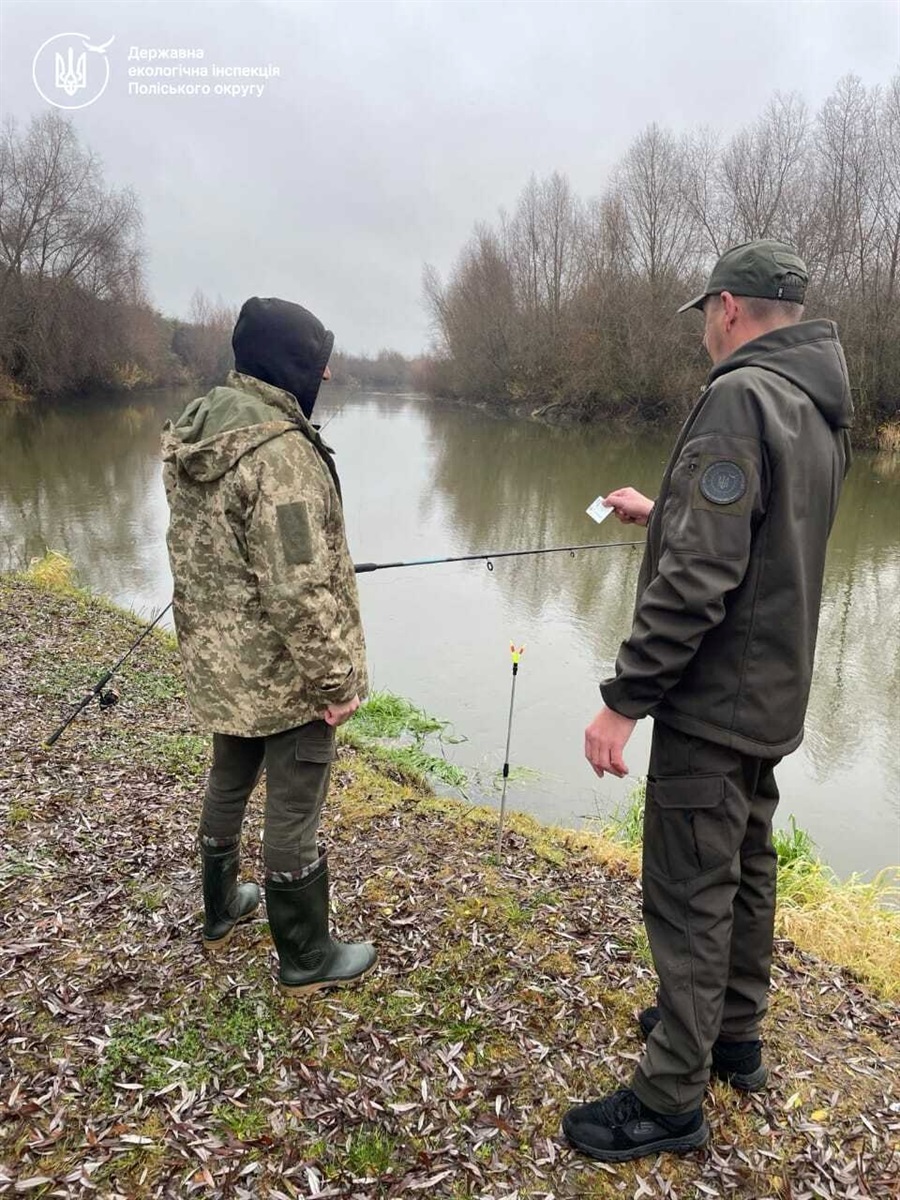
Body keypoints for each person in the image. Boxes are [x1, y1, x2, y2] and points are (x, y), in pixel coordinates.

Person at [563, 241, 853, 1162]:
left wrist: (625, 699)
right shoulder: (817, 404)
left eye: (703, 313)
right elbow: (761, 530)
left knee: (690, 887)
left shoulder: (740, 396)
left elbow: (697, 580)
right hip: (771, 693)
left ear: (728, 307)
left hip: (711, 700)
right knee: (748, 862)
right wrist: (671, 508)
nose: (702, 328)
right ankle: (733, 1036)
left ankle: (669, 1094)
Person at [162, 296, 376, 995]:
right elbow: (301, 585)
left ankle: (221, 910)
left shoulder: (199, 426)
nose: (326, 374)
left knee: (229, 776)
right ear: (292, 366)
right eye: (318, 363)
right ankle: (307, 958)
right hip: (284, 675)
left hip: (220, 663)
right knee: (294, 808)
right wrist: (335, 683)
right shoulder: (281, 454)